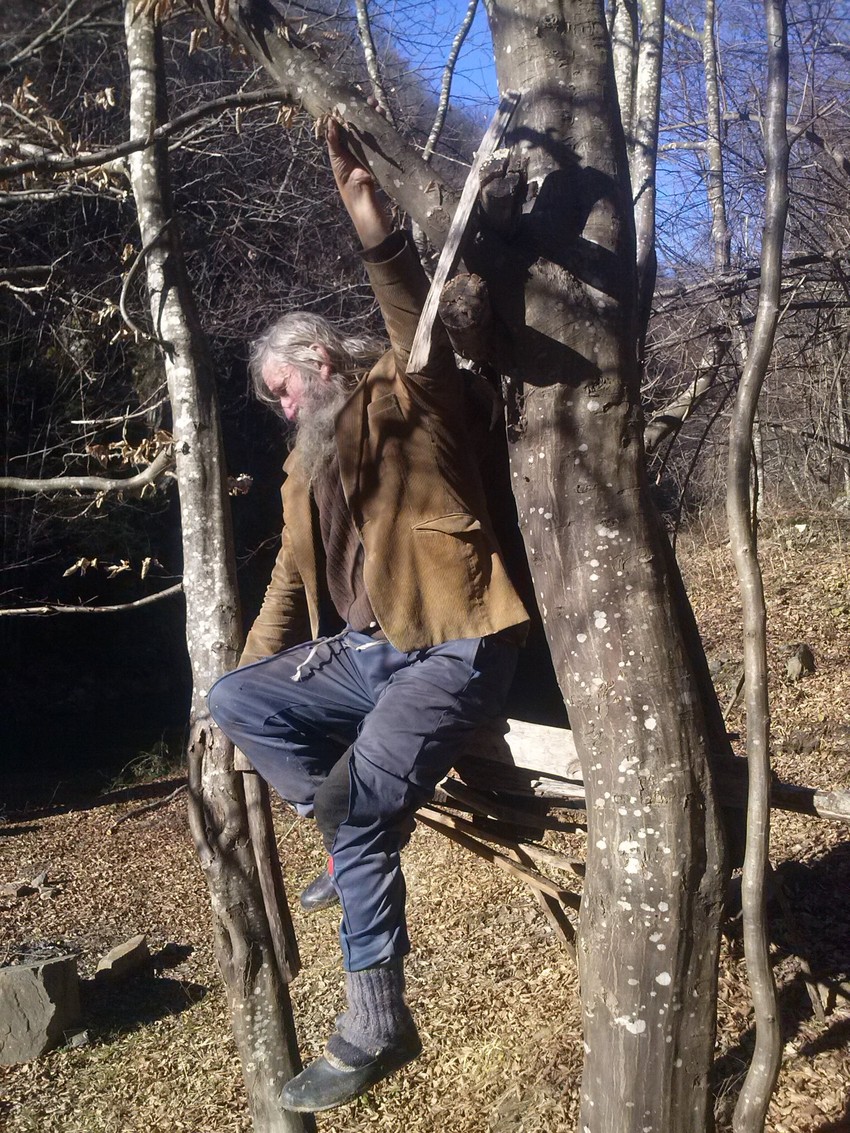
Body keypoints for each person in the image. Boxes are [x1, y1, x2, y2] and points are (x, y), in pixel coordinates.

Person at [207, 121, 529, 1113]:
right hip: (358, 654)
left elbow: (406, 307)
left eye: (283, 386)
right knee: (235, 699)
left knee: (358, 809)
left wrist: (371, 222)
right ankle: (343, 828)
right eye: (273, 398)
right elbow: (286, 589)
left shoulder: (406, 392)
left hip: (451, 641)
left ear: (317, 355)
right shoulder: (302, 467)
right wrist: (235, 682)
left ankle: (377, 1022)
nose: (281, 404)